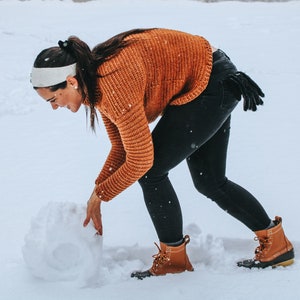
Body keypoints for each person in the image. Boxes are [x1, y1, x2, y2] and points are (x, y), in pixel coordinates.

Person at [31, 28, 294, 279]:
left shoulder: (111, 83)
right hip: (213, 75)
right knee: (210, 180)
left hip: (211, 83)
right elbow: (123, 147)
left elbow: (140, 159)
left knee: (152, 172)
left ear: (71, 81)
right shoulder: (95, 80)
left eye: (53, 99)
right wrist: (98, 190)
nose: (55, 108)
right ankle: (276, 243)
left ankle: (174, 260)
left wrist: (100, 195)